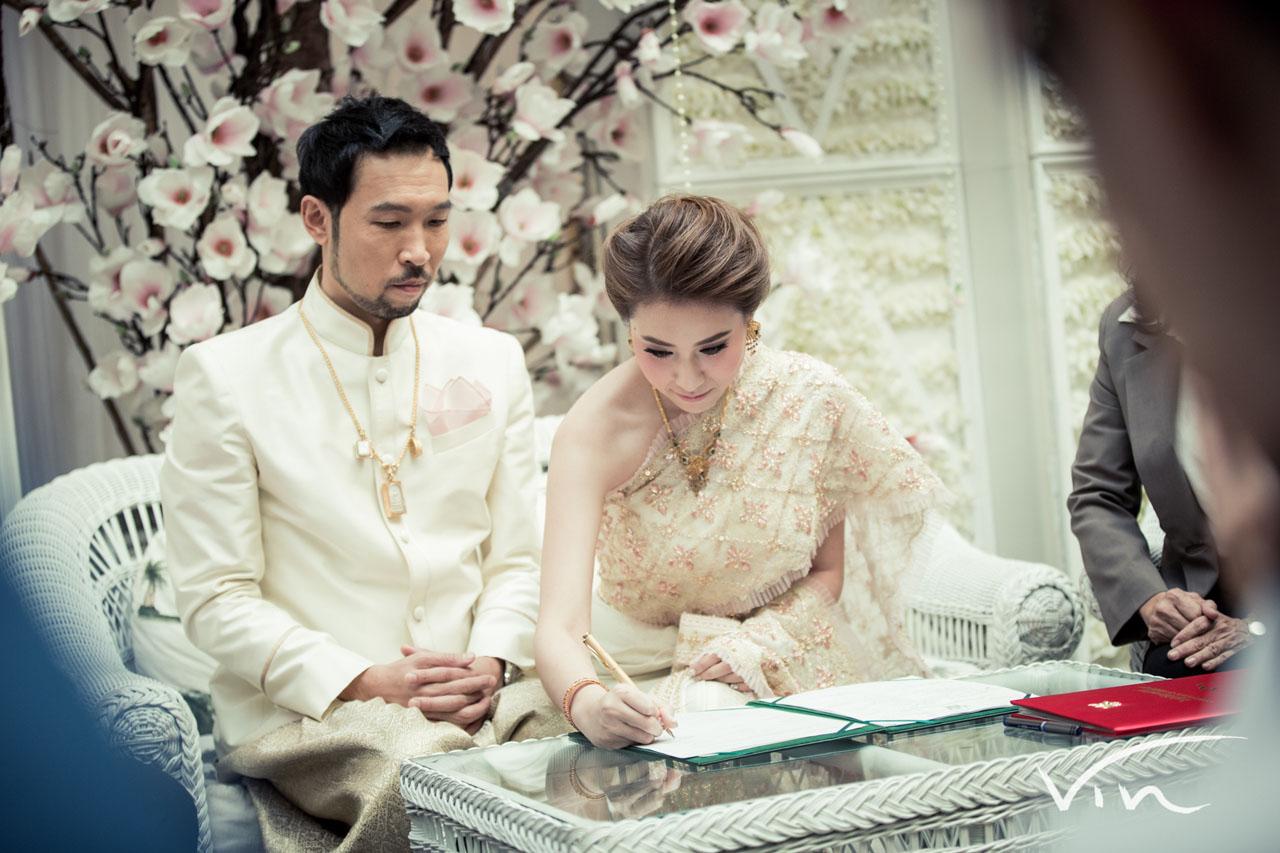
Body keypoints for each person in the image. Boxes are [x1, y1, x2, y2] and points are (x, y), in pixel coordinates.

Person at [161, 95, 563, 851]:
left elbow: (518, 555)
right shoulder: (225, 376)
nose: (420, 251)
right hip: (313, 714)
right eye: (389, 222)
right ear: (318, 219)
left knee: (600, 748)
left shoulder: (491, 359)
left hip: (484, 694)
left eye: (436, 221)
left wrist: (491, 657)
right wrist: (361, 679)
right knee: (431, 777)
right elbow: (216, 596)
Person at [534, 195, 945, 749]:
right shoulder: (593, 432)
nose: (687, 378)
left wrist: (754, 646)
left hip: (775, 653)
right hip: (630, 674)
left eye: (713, 348)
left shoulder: (809, 400)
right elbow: (560, 626)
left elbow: (828, 572)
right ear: (629, 332)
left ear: (750, 325)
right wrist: (589, 704)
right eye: (658, 351)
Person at [1069, 286, 1253, 676]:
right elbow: (1098, 495)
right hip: (1209, 604)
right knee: (1168, 685)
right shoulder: (1124, 327)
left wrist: (1258, 630)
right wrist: (1151, 599)